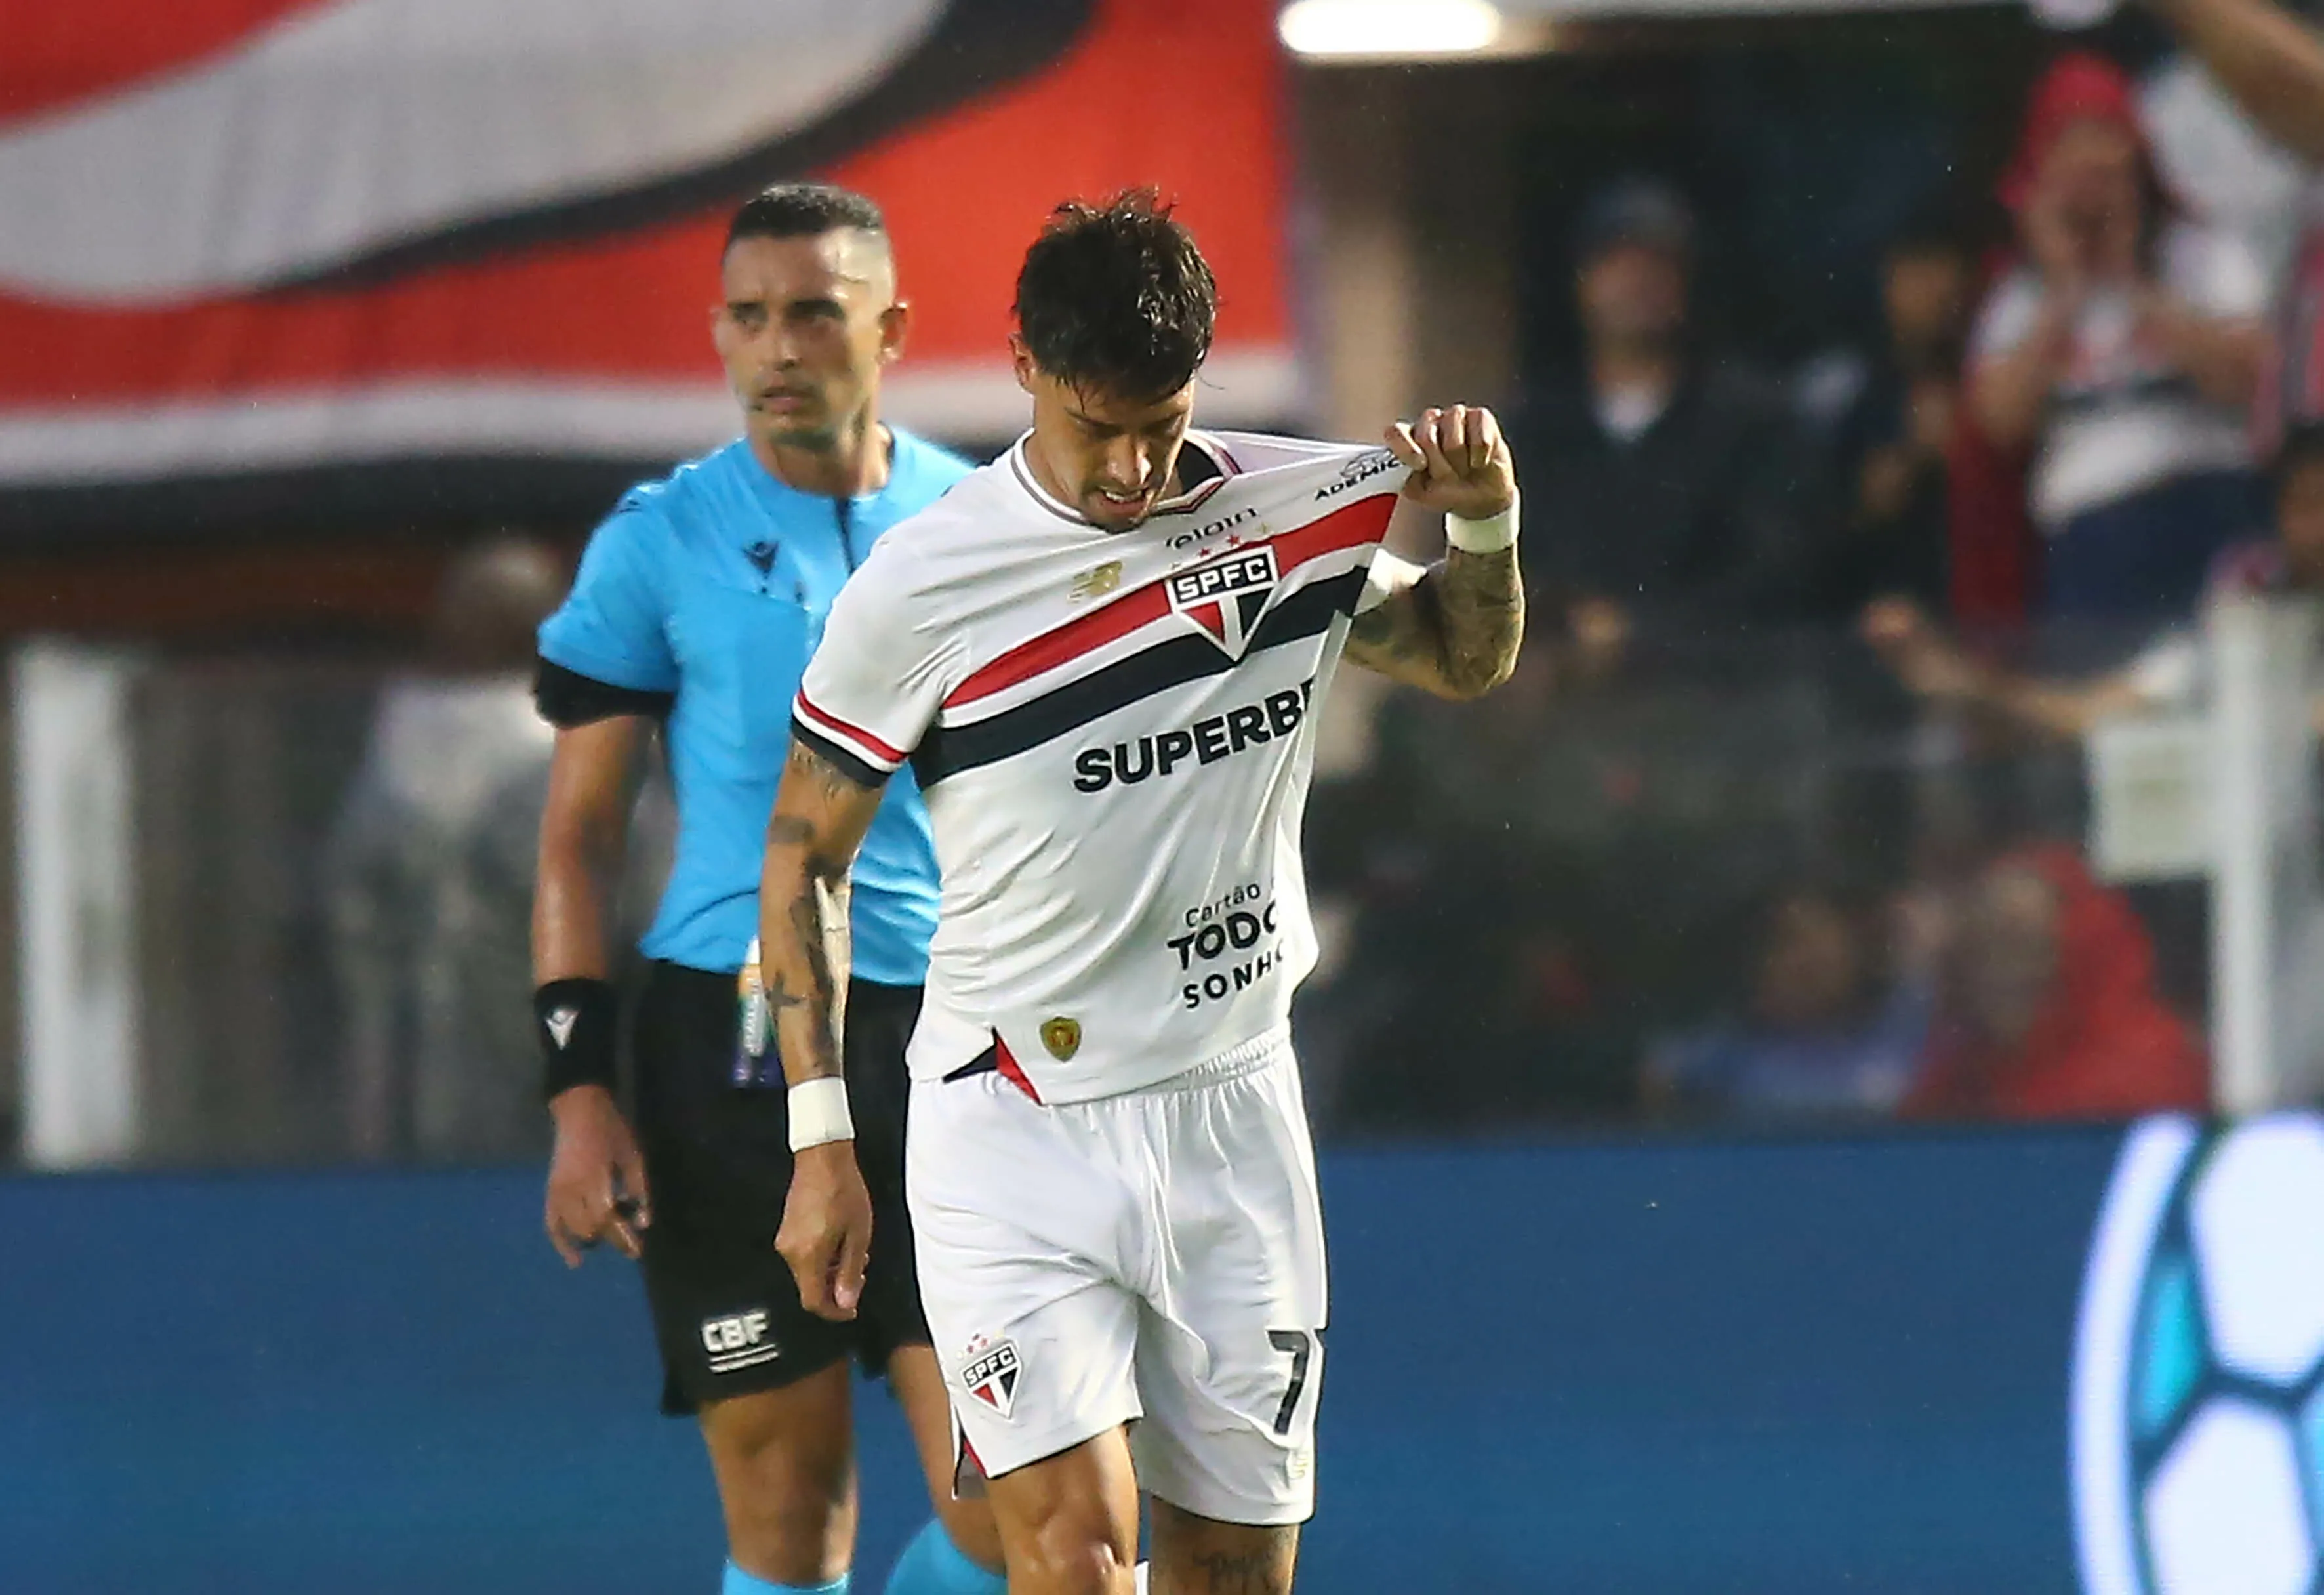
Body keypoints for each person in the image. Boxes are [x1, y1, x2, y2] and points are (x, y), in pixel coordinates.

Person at [753, 192, 1524, 1595]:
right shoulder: (923, 586)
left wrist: (1484, 527)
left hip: (1233, 1106)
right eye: (1094, 425)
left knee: (1232, 1571)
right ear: (1024, 365)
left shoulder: (1286, 516)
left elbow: (1458, 659)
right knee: (1075, 1555)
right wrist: (820, 1142)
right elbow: (804, 857)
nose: (1128, 466)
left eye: (1159, 425)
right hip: (1012, 1121)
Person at [529, 184, 1004, 1595]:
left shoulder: (983, 522)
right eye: (748, 316)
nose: (778, 346)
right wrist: (576, 1091)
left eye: (813, 313)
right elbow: (579, 839)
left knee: (1009, 1507)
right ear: (719, 333)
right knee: (788, 1520)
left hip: (952, 1045)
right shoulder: (656, 540)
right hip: (724, 1053)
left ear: (892, 330)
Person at [1966, 53, 2270, 621]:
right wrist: (2064, 293)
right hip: (2092, 524)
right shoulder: (2019, 295)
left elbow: (2247, 381)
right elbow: (2000, 423)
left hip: (2208, 495)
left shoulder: (2203, 254)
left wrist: (2132, 280)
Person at [327, 535, 569, 1161]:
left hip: (527, 1024)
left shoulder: (575, 731)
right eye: (476, 606)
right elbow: (359, 868)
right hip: (405, 1022)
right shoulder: (403, 723)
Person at [1510, 176, 1823, 646]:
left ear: (1688, 283)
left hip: (1714, 678)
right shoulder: (1535, 426)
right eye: (1617, 263)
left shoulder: (1753, 423)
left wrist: (1640, 630)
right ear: (1582, 281)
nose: (1637, 283)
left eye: (1658, 265)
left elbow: (1777, 574)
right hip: (1557, 678)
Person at [1863, 419, 2324, 737]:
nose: (2318, 528)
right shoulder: (2245, 616)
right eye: (2305, 505)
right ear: (2277, 515)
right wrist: (1970, 684)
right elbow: (2100, 710)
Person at [1904, 843, 2209, 1119]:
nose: (2004, 971)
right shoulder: (1957, 1078)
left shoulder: (2151, 1070)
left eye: (2026, 945)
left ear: (2082, 950)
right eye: (1985, 947)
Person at [1645, 880, 1932, 1123]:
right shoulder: (1732, 1052)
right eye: (1790, 946)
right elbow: (1658, 1076)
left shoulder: (1900, 1034)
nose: (1806, 962)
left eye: (1822, 951)